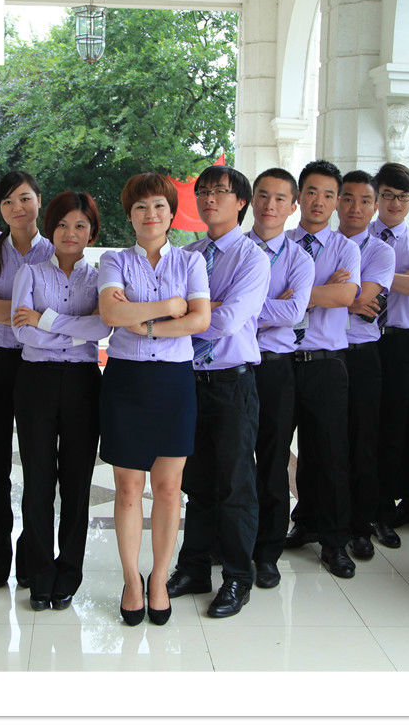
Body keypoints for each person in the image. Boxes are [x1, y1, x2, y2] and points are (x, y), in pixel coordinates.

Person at [98, 172, 211, 626]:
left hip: (174, 382)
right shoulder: (114, 260)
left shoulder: (190, 262)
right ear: (129, 215)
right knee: (128, 488)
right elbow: (111, 312)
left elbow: (199, 320)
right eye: (141, 207)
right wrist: (168, 308)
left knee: (167, 489)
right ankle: (132, 579)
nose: (151, 214)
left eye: (159, 206)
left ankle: (159, 578)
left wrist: (140, 323)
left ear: (171, 213)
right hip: (125, 381)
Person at [166, 165, 270, 618]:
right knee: (196, 482)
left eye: (220, 192)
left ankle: (237, 577)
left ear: (240, 202)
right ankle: (193, 568)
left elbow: (225, 322)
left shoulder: (252, 258)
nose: (209, 198)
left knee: (234, 484)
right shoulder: (188, 254)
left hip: (232, 383)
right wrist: (192, 312)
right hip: (189, 381)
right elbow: (174, 310)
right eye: (204, 191)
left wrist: (187, 314)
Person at [11, 191, 109, 611]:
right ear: (50, 229)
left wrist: (47, 321)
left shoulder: (101, 277)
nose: (71, 233)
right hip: (36, 382)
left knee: (76, 483)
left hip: (84, 384)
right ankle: (39, 573)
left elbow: (102, 328)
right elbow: (22, 331)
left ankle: (68, 573)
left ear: (92, 232)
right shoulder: (30, 273)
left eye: (80, 225)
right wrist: (74, 331)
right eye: (63, 225)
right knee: (37, 481)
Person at [0, 171, 54, 589]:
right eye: (7, 201)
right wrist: (30, 313)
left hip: (40, 366)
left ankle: (33, 559)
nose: (17, 208)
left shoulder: (54, 250)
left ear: (39, 200)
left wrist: (4, 307)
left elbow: (66, 309)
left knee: (38, 466)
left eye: (24, 198)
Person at [283, 160, 361, 578]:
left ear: (336, 202)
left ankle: (334, 542)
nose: (319, 201)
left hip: (326, 362)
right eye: (311, 191)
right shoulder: (279, 243)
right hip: (281, 361)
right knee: (273, 451)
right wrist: (322, 290)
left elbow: (346, 296)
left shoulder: (346, 248)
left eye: (329, 194)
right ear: (299, 196)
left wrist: (294, 294)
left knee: (329, 453)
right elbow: (263, 295)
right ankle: (293, 527)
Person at [247, 168, 314, 588]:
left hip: (275, 367)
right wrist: (269, 303)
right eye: (262, 195)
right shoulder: (229, 250)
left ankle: (267, 551)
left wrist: (239, 306)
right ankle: (226, 542)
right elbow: (207, 308)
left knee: (272, 460)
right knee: (230, 458)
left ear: (293, 207)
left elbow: (294, 313)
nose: (270, 205)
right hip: (232, 367)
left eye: (280, 199)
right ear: (250, 200)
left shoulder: (299, 259)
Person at [336, 170, 396, 559]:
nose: (355, 208)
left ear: (374, 207)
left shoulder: (380, 251)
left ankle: (360, 527)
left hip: (361, 355)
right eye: (347, 198)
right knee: (323, 443)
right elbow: (350, 301)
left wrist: (326, 294)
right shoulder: (318, 244)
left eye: (364, 201)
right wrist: (342, 296)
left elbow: (365, 301)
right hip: (323, 355)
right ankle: (313, 518)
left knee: (363, 442)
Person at [369, 162, 409, 540]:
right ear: (376, 197)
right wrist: (403, 277)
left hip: (406, 341)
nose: (396, 203)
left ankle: (395, 506)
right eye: (388, 195)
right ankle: (368, 505)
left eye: (403, 197)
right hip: (365, 340)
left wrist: (373, 277)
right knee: (369, 426)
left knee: (401, 426)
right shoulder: (357, 237)